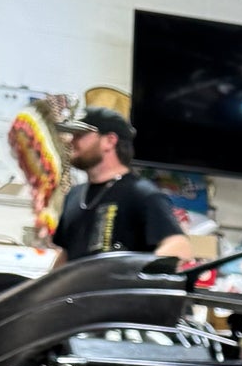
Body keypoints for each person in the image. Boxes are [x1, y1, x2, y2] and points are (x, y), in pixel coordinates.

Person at [47, 107, 193, 262]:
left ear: (110, 141)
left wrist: (131, 273)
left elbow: (179, 247)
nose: (71, 140)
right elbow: (66, 255)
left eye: (80, 135)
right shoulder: (75, 195)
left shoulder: (141, 194)